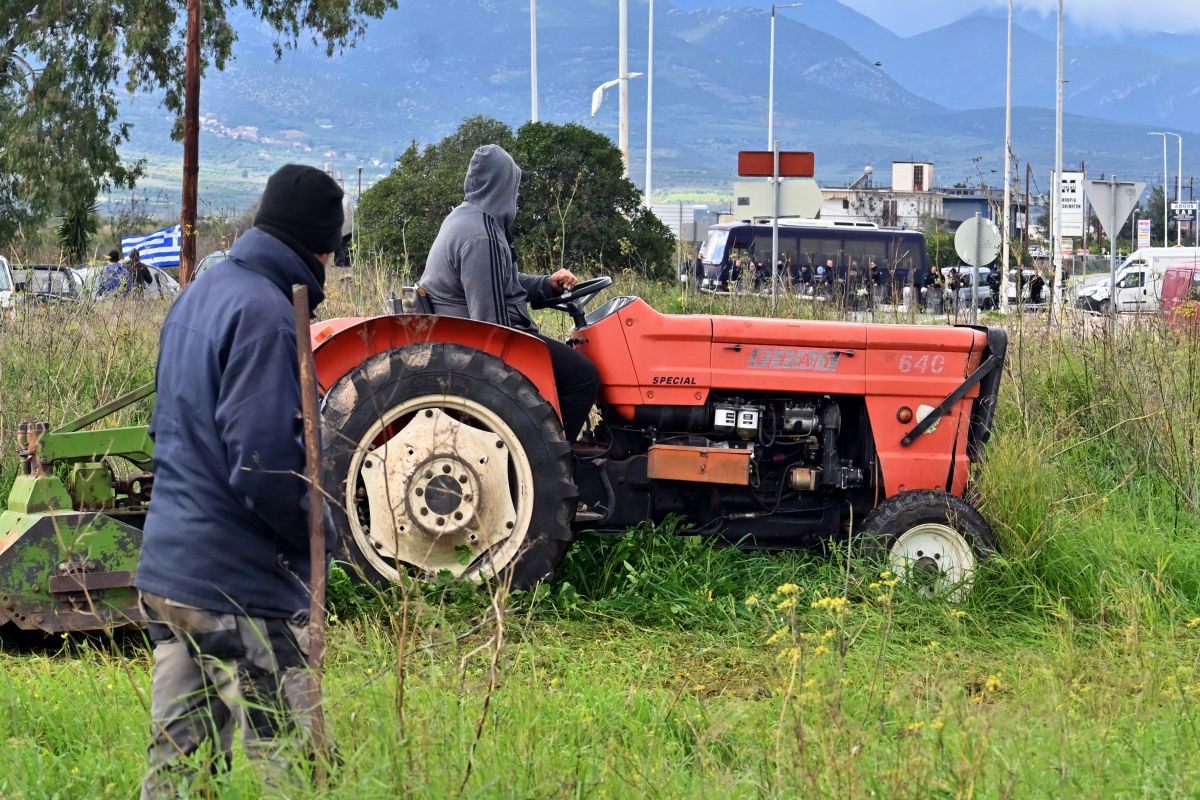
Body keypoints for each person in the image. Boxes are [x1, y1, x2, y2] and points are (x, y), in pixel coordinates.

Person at [135, 164, 344, 798]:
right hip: (239, 592)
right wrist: (323, 527)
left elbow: (163, 429)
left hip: (171, 578)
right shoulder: (266, 314)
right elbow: (262, 465)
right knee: (296, 770)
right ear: (322, 245)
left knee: (176, 769)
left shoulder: (204, 291)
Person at [420, 144, 599, 443]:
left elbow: (500, 281)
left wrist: (546, 284)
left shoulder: (468, 219)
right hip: (481, 344)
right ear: (503, 186)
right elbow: (491, 326)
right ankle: (552, 459)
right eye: (515, 187)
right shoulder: (481, 237)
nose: (517, 196)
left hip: (465, 334)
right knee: (584, 377)